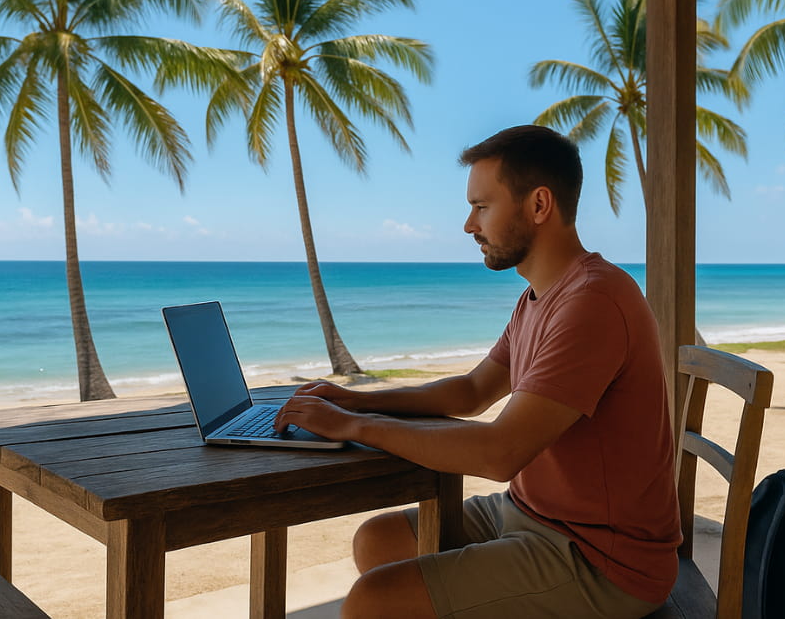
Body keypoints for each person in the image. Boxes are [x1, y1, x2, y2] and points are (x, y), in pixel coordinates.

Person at [274, 125, 681, 618]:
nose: (469, 225)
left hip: (600, 559)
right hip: (529, 513)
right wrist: (358, 399)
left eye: (482, 207)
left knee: (371, 603)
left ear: (538, 206)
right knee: (378, 540)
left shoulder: (593, 301)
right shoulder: (538, 297)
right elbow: (470, 392)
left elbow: (499, 452)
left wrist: (356, 427)